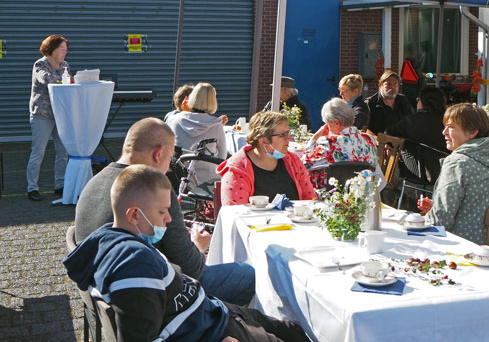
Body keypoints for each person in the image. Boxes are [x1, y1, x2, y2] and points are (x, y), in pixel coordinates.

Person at [64, 165, 310, 341]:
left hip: (209, 313)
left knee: (292, 329)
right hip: (211, 330)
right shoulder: (134, 266)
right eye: (162, 212)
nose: (169, 219)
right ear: (135, 214)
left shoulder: (114, 238)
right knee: (294, 333)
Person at [75, 118, 255, 306]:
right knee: (247, 273)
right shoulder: (155, 190)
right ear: (159, 154)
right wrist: (198, 247)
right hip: (148, 295)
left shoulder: (93, 181)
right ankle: (222, 326)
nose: (169, 167)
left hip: (101, 289)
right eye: (170, 159)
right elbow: (192, 269)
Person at [418, 103, 489, 254]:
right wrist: (437, 205)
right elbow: (477, 204)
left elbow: (440, 221)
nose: (444, 132)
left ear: (471, 132)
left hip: (463, 251)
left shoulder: (457, 163)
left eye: (451, 127)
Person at [217, 111, 316, 205]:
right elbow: (234, 213)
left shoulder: (293, 161)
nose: (289, 138)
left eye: (288, 133)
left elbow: (310, 201)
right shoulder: (237, 170)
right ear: (263, 140)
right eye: (283, 135)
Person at [26, 35, 70, 201]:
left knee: (63, 152)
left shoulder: (65, 65)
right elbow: (46, 79)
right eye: (62, 49)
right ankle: (32, 188)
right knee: (38, 152)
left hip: (60, 115)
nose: (65, 52)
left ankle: (60, 185)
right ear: (52, 49)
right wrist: (67, 80)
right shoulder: (40, 64)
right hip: (42, 115)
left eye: (66, 49)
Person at [301, 98, 378, 189]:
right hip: (360, 195)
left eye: (327, 124)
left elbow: (303, 165)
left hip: (331, 196)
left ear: (336, 123)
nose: (327, 128)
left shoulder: (329, 142)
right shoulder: (370, 140)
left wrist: (314, 139)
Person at [166, 82, 227, 183]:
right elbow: (222, 157)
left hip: (181, 177)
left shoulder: (175, 120)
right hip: (208, 180)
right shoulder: (216, 125)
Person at [386, 86, 449, 183]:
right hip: (446, 173)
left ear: (423, 101)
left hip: (413, 173)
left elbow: (388, 134)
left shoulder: (410, 121)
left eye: (418, 99)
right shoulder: (449, 123)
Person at [366, 71, 415, 136]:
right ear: (380, 86)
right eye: (388, 84)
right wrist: (379, 142)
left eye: (395, 84)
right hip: (379, 144)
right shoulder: (370, 104)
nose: (392, 87)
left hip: (402, 143)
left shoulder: (403, 101)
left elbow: (413, 123)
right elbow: (365, 131)